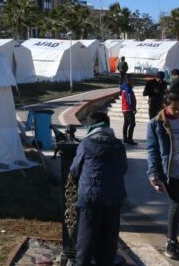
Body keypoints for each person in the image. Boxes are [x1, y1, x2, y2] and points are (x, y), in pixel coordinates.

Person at [70, 111, 127, 266]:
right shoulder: (118, 145)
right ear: (107, 126)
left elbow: (74, 169)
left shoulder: (86, 144)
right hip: (114, 199)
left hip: (90, 199)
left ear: (90, 126)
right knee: (108, 243)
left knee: (86, 241)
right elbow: (123, 169)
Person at [146, 93, 179, 260]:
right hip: (169, 171)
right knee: (176, 203)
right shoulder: (156, 123)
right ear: (165, 106)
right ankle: (170, 242)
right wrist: (153, 173)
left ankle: (174, 239)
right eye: (174, 108)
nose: (177, 111)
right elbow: (152, 150)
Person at [120, 76, 137, 145]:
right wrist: (133, 108)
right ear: (128, 81)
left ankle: (125, 139)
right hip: (128, 108)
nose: (133, 81)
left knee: (126, 123)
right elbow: (129, 99)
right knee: (132, 123)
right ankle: (129, 139)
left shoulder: (124, 87)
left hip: (125, 108)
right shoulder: (128, 89)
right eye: (132, 79)